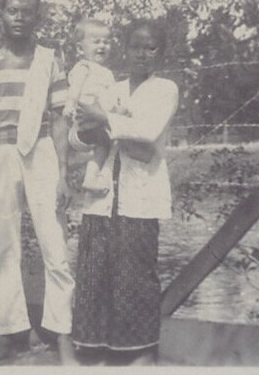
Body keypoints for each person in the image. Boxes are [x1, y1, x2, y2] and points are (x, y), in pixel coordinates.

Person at [0, 0, 76, 364]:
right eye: (13, 10)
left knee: (54, 243)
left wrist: (64, 174)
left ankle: (62, 333)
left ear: (37, 15)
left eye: (27, 11)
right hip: (2, 153)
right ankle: (11, 333)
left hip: (41, 152)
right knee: (4, 245)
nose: (20, 17)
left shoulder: (49, 61)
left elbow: (59, 121)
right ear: (1, 13)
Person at [69, 18, 179, 365]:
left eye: (150, 48)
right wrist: (105, 126)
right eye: (135, 46)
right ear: (126, 49)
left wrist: (105, 121)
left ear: (160, 53)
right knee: (96, 272)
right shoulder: (111, 88)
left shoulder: (165, 89)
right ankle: (96, 348)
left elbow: (147, 131)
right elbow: (78, 133)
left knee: (135, 274)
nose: (142, 54)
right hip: (101, 196)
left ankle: (139, 351)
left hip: (139, 196)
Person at [64, 19, 121, 195]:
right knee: (104, 143)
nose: (102, 46)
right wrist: (70, 105)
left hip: (101, 120)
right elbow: (75, 89)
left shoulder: (107, 72)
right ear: (80, 49)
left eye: (106, 42)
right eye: (96, 42)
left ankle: (103, 177)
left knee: (110, 143)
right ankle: (90, 178)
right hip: (85, 122)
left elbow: (112, 96)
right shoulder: (84, 67)